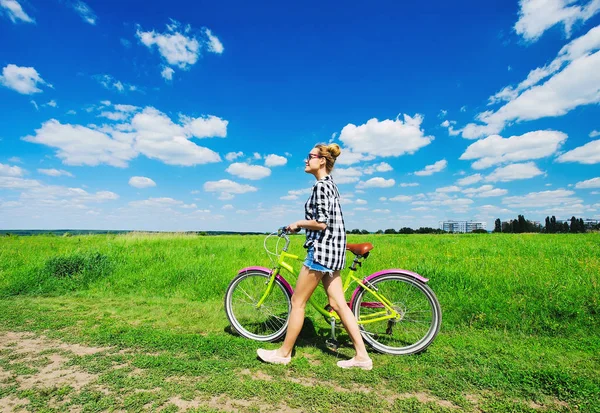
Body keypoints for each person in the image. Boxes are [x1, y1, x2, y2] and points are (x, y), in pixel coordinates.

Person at [257, 143, 372, 370]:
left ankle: (283, 353)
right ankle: (362, 356)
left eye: (309, 157)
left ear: (322, 161)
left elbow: (321, 223)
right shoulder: (331, 185)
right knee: (338, 303)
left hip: (321, 251)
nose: (305, 160)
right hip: (334, 251)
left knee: (298, 302)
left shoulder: (320, 187)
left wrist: (298, 223)